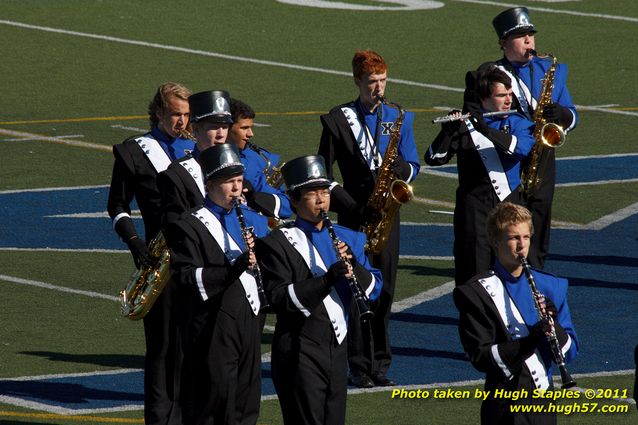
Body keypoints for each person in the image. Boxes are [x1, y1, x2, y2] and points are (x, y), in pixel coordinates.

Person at [318, 49, 420, 388]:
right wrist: (351, 206)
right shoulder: (337, 119)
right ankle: (359, 366)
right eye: (372, 82)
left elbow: (413, 164)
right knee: (358, 288)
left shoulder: (397, 116)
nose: (379, 88)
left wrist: (398, 172)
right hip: (354, 215)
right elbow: (323, 171)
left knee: (386, 289)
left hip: (388, 213)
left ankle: (381, 364)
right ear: (358, 82)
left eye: (383, 81)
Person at [255, 155, 382, 425]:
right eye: (312, 193)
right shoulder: (277, 243)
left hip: (337, 347)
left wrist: (355, 266)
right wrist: (326, 280)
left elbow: (374, 288)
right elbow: (278, 298)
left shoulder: (350, 238)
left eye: (324, 192)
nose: (321, 199)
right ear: (295, 200)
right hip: (299, 347)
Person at [106, 82, 194, 425]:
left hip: (197, 258)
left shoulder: (195, 149)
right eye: (175, 114)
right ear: (158, 112)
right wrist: (134, 242)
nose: (182, 122)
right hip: (159, 259)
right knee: (161, 345)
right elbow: (116, 205)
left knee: (191, 343)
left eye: (187, 115)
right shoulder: (134, 152)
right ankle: (160, 417)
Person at [166, 143, 269, 425]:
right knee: (214, 403)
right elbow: (186, 277)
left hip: (250, 320)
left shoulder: (254, 220)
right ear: (209, 184)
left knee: (247, 402)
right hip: (212, 323)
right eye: (229, 183)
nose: (237, 189)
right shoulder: (188, 224)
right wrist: (231, 269)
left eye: (239, 181)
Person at [453, 202, 579, 425]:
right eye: (513, 238)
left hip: (543, 402)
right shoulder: (476, 293)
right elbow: (481, 356)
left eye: (526, 237)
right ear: (494, 242)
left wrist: (554, 327)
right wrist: (530, 340)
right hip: (503, 401)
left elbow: (571, 351)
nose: (521, 246)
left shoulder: (552, 286)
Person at [424, 65, 535, 286]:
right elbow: (434, 157)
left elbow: (520, 149)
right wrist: (448, 132)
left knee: (512, 271)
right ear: (484, 99)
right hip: (474, 210)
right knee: (473, 272)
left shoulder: (518, 123)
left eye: (510, 94)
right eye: (501, 95)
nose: (508, 100)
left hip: (510, 206)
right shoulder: (466, 125)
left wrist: (486, 129)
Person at [490, 6, 578, 268]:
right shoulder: (492, 74)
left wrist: (562, 115)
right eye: (521, 36)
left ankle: (536, 270)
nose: (529, 40)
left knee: (539, 218)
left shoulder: (552, 69)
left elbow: (573, 116)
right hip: (511, 157)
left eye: (531, 34)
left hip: (544, 155)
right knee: (509, 220)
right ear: (504, 42)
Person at [158, 89, 234, 231]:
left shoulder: (238, 165)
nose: (221, 134)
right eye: (214, 127)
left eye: (224, 127)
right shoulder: (177, 173)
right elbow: (177, 225)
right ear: (195, 128)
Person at [228, 98, 292, 220]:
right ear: (226, 127)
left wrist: (255, 197)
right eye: (244, 128)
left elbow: (286, 207)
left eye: (251, 127)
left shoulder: (259, 160)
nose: (251, 134)